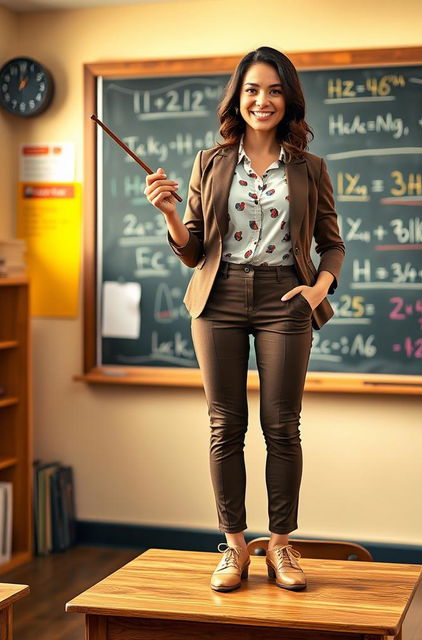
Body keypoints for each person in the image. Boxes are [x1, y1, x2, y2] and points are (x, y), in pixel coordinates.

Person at [144, 46, 345, 592]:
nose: (263, 100)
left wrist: (317, 290)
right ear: (238, 97)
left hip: (287, 296)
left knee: (282, 426)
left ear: (288, 99)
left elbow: (333, 245)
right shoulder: (209, 163)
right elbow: (192, 250)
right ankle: (234, 547)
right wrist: (168, 212)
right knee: (224, 426)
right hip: (220, 295)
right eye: (253, 90)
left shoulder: (311, 168)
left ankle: (281, 546)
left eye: (275, 90)